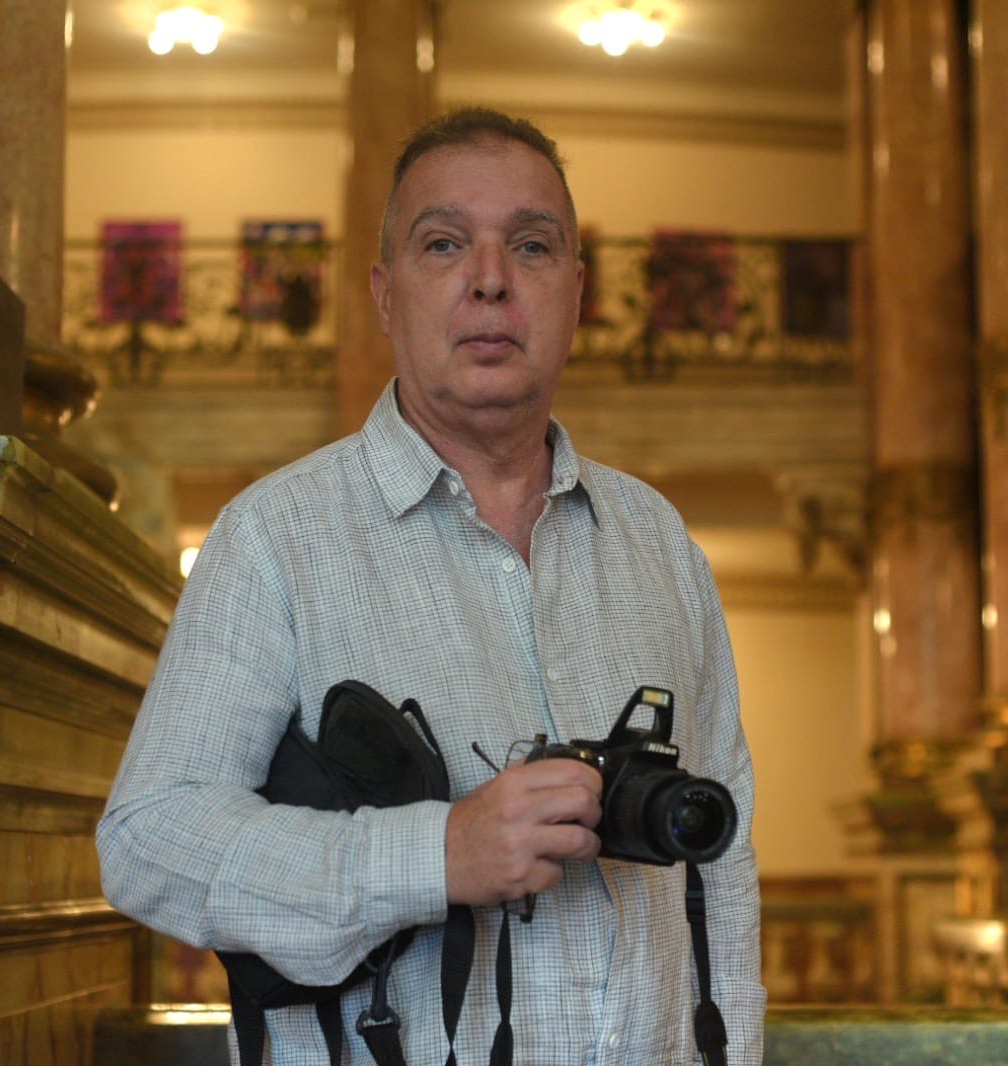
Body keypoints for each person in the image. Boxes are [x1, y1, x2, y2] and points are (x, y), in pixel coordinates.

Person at [97, 107, 766, 1064]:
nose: (490, 279)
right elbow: (147, 846)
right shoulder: (277, 537)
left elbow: (726, 874)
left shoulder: (657, 542)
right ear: (383, 294)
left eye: (531, 247)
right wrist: (433, 855)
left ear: (576, 293)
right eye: (444, 242)